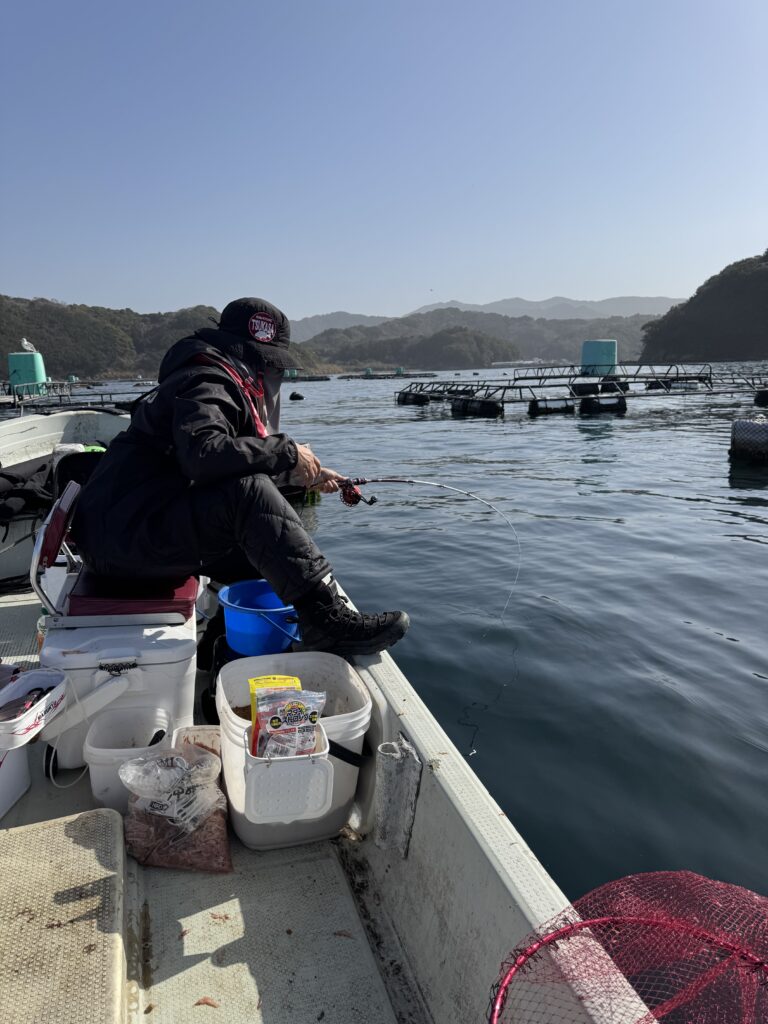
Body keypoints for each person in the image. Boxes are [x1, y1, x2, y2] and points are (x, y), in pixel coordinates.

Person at [71, 297, 409, 657]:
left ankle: (222, 645)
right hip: (124, 543)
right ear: (249, 358)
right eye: (268, 364)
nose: (270, 375)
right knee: (251, 498)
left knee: (268, 547)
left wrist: (301, 476)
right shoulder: (207, 381)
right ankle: (326, 622)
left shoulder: (200, 376)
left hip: (122, 533)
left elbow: (218, 467)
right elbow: (203, 455)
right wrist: (288, 452)